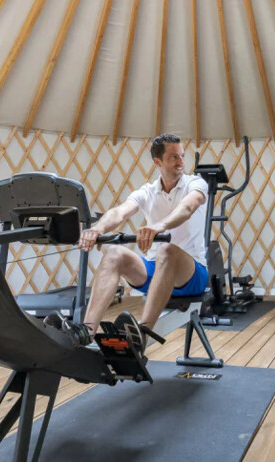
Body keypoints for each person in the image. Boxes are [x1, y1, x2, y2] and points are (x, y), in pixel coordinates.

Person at [78, 133, 209, 350]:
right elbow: (120, 212)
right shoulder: (147, 192)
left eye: (182, 156)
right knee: (114, 252)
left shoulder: (196, 184)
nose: (181, 162)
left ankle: (142, 335)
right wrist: (97, 229)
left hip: (192, 275)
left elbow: (187, 208)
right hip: (154, 272)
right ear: (158, 161)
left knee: (166, 250)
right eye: (174, 157)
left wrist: (159, 226)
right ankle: (86, 332)